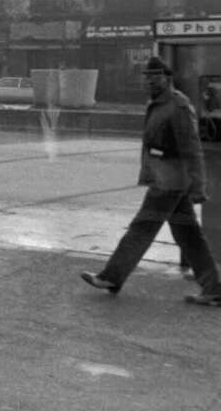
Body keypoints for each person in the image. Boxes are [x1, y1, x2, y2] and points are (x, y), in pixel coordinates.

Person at [81, 55, 221, 306]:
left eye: (156, 78)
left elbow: (192, 149)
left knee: (141, 228)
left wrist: (199, 186)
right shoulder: (157, 104)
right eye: (147, 78)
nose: (150, 82)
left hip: (170, 181)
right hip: (165, 178)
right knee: (189, 236)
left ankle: (111, 276)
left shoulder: (177, 106)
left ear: (168, 79)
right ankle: (214, 289)